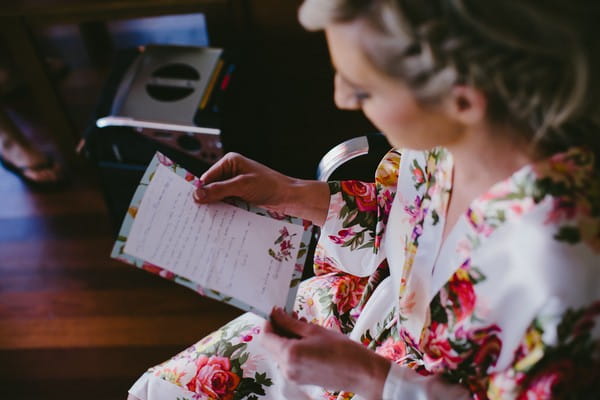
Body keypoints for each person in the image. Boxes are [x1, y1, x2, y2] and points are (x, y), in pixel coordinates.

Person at [128, 0, 600, 399]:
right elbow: (407, 224)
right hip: (364, 320)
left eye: (363, 88)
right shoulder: (447, 138)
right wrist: (290, 193)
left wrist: (371, 378)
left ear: (464, 99)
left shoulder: (562, 273)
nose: (340, 99)